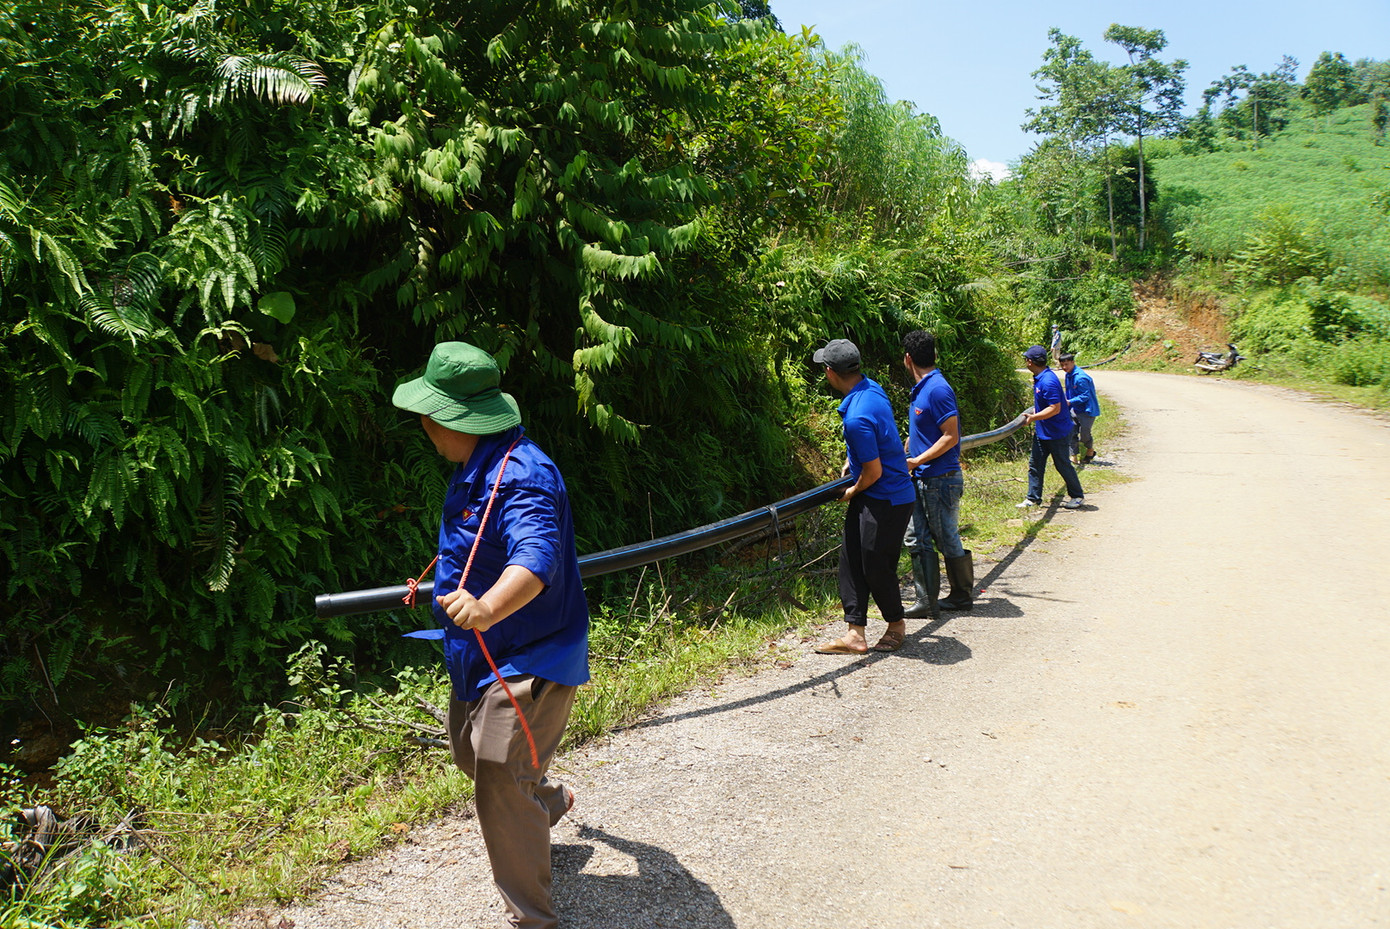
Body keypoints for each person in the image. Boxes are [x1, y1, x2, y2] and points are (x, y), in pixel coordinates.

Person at [392, 341, 589, 929]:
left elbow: (535, 560)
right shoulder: (472, 467)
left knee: (500, 773)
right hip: (476, 654)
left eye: (430, 416)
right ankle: (547, 801)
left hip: (530, 654)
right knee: (468, 752)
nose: (423, 426)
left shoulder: (525, 474)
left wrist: (487, 607)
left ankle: (533, 919)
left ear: (453, 419)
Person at [811, 339, 916, 654]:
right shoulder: (870, 389)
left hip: (888, 497)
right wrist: (850, 461)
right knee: (851, 559)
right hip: (875, 493)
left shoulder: (856, 415)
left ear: (831, 373)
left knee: (876, 565)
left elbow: (874, 473)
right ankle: (855, 634)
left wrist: (851, 491)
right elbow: (875, 441)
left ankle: (896, 624)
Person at [900, 331, 974, 617]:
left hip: (940, 478)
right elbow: (930, 427)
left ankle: (961, 595)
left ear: (908, 359)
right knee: (916, 536)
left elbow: (951, 435)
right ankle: (926, 600)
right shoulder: (922, 388)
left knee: (945, 537)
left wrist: (918, 458)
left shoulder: (938, 389)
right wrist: (912, 442)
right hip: (921, 477)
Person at [1018, 344, 1086, 510]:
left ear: (1029, 362)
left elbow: (1054, 408)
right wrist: (1037, 415)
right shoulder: (1040, 377)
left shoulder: (1048, 381)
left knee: (1062, 464)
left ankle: (1077, 496)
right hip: (1043, 431)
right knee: (1035, 464)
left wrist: (1034, 417)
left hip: (1057, 432)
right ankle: (1033, 498)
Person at [1059, 352, 1100, 464]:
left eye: (1066, 364)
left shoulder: (1081, 378)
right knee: (1072, 431)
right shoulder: (1068, 375)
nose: (1064, 367)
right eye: (1062, 365)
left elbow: (1085, 396)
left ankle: (1089, 451)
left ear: (1073, 362)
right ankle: (1073, 455)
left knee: (1085, 434)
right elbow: (1069, 391)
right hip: (1073, 409)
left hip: (1086, 410)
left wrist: (1070, 401)